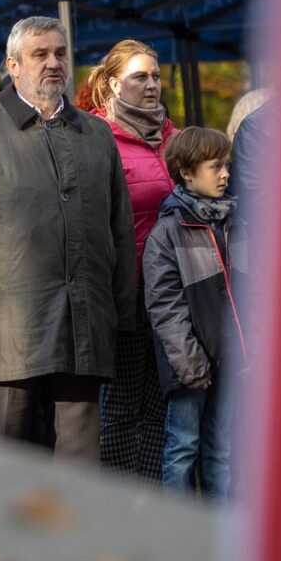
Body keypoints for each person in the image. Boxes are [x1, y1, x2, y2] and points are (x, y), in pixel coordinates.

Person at [0, 16, 137, 460]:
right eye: (40, 54)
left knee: (81, 451)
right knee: (4, 447)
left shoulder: (96, 132)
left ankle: (75, 531)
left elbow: (118, 228)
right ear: (12, 64)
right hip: (9, 324)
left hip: (84, 319)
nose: (53, 63)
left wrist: (120, 311)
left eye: (60, 53)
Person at [86, 39, 179, 479]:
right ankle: (116, 500)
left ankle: (151, 498)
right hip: (124, 292)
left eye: (156, 76)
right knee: (121, 406)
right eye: (139, 77)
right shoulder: (95, 138)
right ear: (111, 84)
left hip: (173, 295)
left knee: (162, 401)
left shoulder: (174, 138)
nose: (151, 85)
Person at [142, 127, 248, 499]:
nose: (226, 175)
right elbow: (166, 309)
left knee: (221, 450)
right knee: (183, 449)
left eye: (227, 166)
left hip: (231, 363)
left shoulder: (235, 225)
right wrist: (192, 366)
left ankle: (221, 532)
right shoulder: (168, 234)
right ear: (187, 172)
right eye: (215, 167)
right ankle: (179, 534)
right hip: (189, 369)